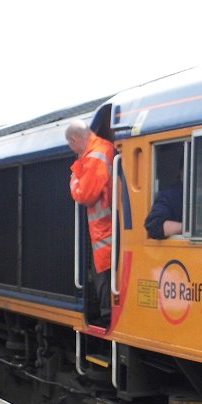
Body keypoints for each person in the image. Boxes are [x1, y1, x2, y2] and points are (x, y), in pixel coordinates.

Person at [66, 121, 115, 326]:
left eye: (71, 146)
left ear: (74, 140)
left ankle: (107, 315)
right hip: (109, 227)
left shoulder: (96, 155)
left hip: (106, 229)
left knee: (103, 273)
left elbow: (84, 195)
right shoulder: (100, 150)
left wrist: (74, 180)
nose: (73, 151)